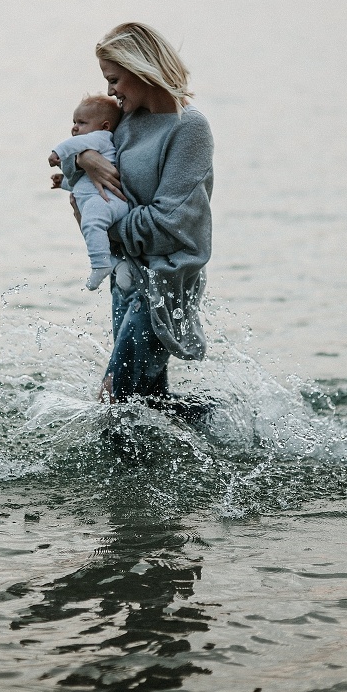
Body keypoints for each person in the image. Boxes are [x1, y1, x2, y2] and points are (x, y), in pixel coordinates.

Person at [58, 22, 214, 409]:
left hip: (166, 281)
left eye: (114, 79)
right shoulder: (126, 122)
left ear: (142, 69)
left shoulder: (189, 129)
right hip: (126, 277)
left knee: (115, 398)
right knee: (145, 404)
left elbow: (169, 225)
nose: (110, 91)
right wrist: (83, 157)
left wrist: (107, 231)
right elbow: (70, 163)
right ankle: (216, 435)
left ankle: (224, 422)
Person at [49, 95, 133, 291]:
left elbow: (73, 145)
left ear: (104, 126)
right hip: (105, 201)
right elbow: (84, 184)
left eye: (82, 122)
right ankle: (119, 266)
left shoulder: (100, 138)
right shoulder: (95, 144)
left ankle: (99, 264)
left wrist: (57, 154)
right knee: (100, 237)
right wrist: (64, 183)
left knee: (92, 223)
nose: (75, 128)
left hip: (109, 201)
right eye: (74, 122)